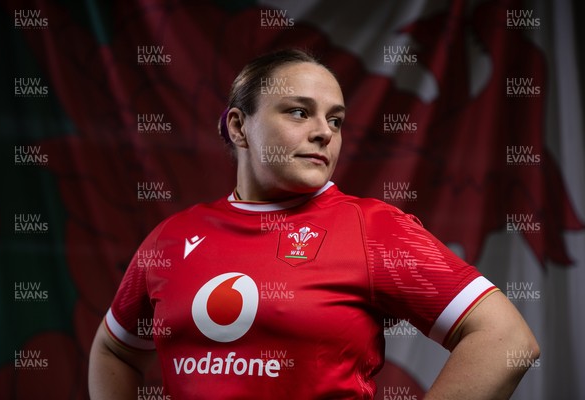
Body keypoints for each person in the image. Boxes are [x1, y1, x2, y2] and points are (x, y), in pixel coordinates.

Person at [89, 48, 539, 399]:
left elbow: (504, 338)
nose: (325, 131)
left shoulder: (373, 228)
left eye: (336, 119)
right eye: (299, 112)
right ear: (239, 127)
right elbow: (114, 350)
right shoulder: (171, 238)